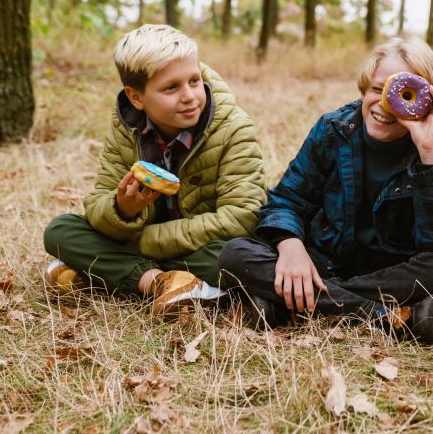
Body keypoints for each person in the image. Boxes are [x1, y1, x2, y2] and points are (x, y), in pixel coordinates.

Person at [218, 36, 433, 344]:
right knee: (234, 253)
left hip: (393, 273)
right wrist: (290, 246)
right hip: (324, 261)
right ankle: (386, 316)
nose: (384, 104)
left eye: (400, 96)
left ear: (430, 105)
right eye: (378, 89)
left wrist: (428, 157)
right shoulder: (334, 130)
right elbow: (287, 199)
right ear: (365, 88)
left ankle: (287, 304)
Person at [43, 24, 267, 316]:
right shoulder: (127, 128)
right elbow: (100, 200)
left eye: (194, 81)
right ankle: (159, 282)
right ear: (136, 97)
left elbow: (243, 216)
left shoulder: (233, 127)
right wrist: (122, 209)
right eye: (171, 88)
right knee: (60, 231)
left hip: (204, 246)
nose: (189, 96)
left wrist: (145, 242)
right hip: (155, 244)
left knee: (235, 256)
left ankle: (109, 274)